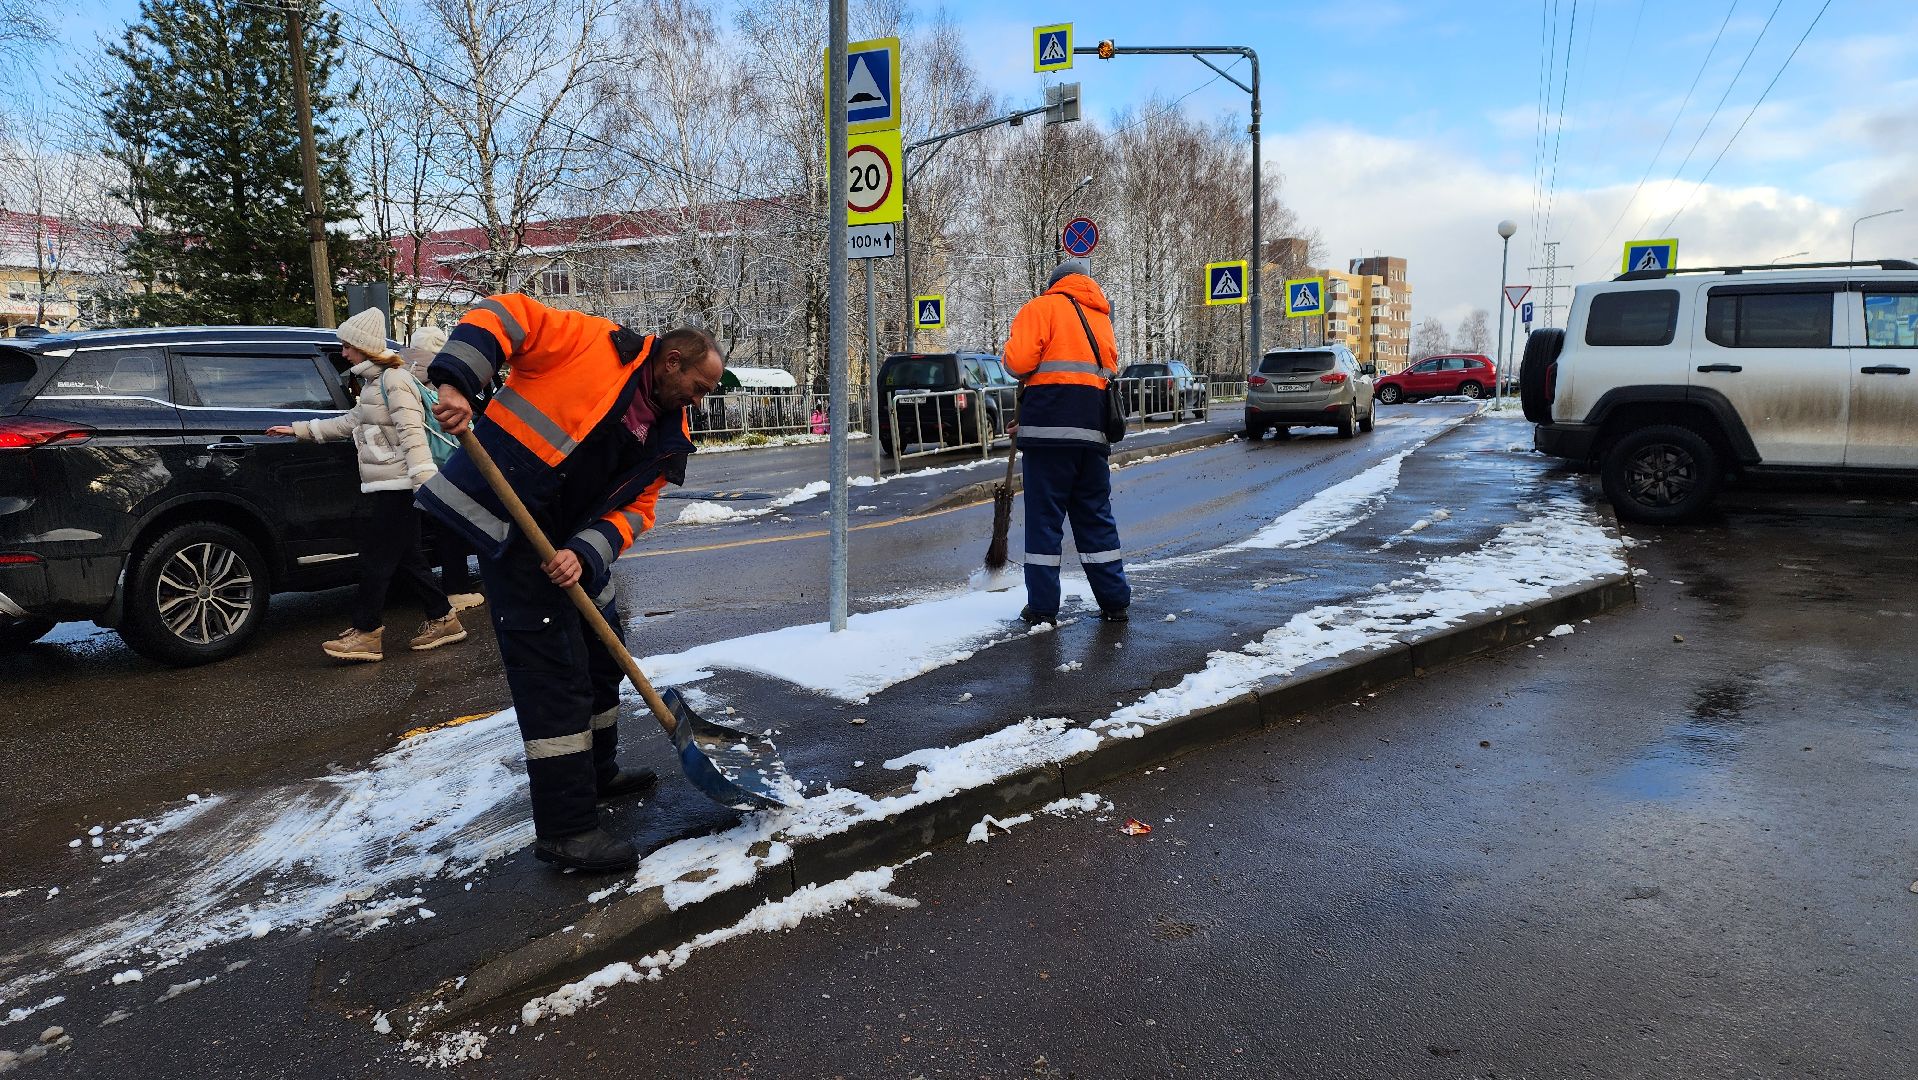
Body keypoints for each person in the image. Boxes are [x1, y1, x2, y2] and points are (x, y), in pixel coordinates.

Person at [419, 295, 724, 873]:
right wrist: (457, 382)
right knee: (555, 676)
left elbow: (639, 510)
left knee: (603, 658)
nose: (700, 400)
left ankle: (598, 774)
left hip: (570, 548)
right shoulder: (593, 344)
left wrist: (584, 554)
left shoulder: (667, 431)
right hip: (508, 527)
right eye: (700, 386)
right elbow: (502, 315)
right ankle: (567, 830)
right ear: (673, 359)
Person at [266, 308, 468, 661]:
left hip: (400, 485)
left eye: (347, 346)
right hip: (389, 484)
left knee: (377, 558)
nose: (344, 353)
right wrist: (300, 430)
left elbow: (411, 433)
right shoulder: (376, 385)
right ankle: (442, 618)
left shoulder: (394, 382)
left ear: (364, 347)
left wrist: (425, 484)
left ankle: (366, 631)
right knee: (407, 557)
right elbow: (349, 423)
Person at [1001, 258, 1131, 625]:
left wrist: (1008, 353)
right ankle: (1115, 600)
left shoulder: (1040, 308)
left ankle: (1042, 607)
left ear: (1054, 282)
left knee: (1044, 523)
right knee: (1096, 518)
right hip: (1092, 435)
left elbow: (1018, 361)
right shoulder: (1101, 317)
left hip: (1049, 437)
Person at [405, 324, 484, 613]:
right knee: (452, 526)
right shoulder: (438, 381)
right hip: (444, 463)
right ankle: (457, 588)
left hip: (416, 464)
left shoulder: (405, 378)